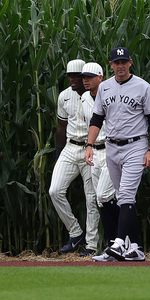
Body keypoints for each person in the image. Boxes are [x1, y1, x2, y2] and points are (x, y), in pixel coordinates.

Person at [84, 47, 150, 262]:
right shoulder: (105, 87)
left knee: (125, 194)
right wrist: (89, 144)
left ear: (130, 62)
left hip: (136, 145)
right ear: (111, 65)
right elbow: (97, 119)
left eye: (124, 61)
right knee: (123, 198)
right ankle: (134, 247)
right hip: (112, 147)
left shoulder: (142, 86)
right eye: (116, 62)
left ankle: (117, 243)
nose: (120, 66)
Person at [49, 59, 100, 256]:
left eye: (76, 76)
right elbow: (61, 128)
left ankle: (91, 245)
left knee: (91, 198)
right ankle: (75, 232)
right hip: (70, 148)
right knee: (55, 190)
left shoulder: (95, 96)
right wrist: (57, 154)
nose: (72, 79)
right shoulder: (64, 96)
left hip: (90, 149)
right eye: (69, 75)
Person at [78, 62, 120, 262]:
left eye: (89, 76)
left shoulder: (110, 94)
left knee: (107, 195)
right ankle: (111, 244)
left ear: (100, 77)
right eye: (83, 77)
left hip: (111, 150)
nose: (85, 80)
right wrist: (88, 146)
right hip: (94, 151)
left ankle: (122, 240)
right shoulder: (84, 98)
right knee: (100, 201)